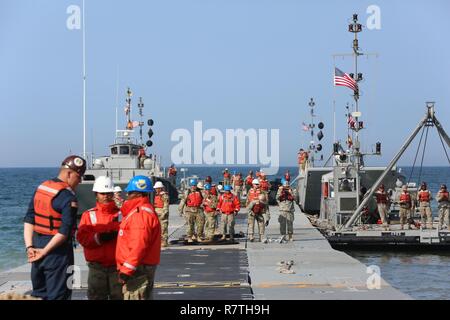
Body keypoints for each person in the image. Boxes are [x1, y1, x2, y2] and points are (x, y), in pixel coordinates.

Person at [23, 155, 86, 300]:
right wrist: (44, 252)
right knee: (60, 295)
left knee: (39, 294)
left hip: (36, 248)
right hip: (57, 253)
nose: (80, 181)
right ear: (69, 173)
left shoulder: (42, 188)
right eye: (79, 176)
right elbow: (64, 231)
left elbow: (28, 219)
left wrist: (30, 247)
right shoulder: (68, 197)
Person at [77, 176, 122, 300]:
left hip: (117, 267)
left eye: (108, 193)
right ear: (96, 194)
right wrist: (99, 238)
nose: (106, 196)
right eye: (103, 193)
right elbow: (82, 238)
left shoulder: (121, 214)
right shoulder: (88, 215)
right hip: (97, 268)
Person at [116, 175, 161, 300]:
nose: (127, 195)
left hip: (138, 269)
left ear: (137, 194)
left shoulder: (140, 214)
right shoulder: (141, 211)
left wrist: (126, 270)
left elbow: (138, 245)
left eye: (129, 192)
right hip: (139, 266)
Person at [178, 178, 205, 243]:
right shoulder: (187, 192)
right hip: (189, 210)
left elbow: (204, 199)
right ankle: (190, 236)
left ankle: (199, 236)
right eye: (192, 185)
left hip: (198, 209)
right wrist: (180, 210)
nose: (193, 187)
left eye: (194, 185)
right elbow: (183, 201)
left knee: (200, 224)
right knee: (190, 225)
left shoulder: (200, 192)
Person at [153, 181, 170, 247]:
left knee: (163, 228)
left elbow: (166, 205)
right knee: (158, 228)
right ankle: (159, 241)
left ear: (160, 188)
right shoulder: (157, 195)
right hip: (157, 213)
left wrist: (164, 213)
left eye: (157, 188)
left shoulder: (164, 195)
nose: (156, 189)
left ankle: (164, 241)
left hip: (162, 213)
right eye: (155, 188)